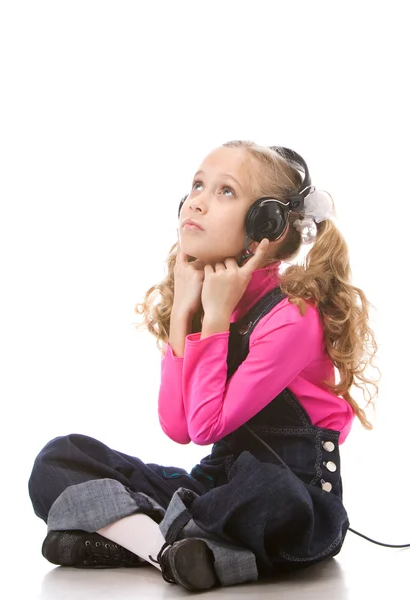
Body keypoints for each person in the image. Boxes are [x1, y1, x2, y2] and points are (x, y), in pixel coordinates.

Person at [28, 142, 379, 592]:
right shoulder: (211, 302)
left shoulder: (294, 316)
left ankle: (136, 535)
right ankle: (175, 550)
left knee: (268, 493)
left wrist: (213, 319)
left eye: (225, 191)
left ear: (265, 226)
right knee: (61, 457)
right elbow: (178, 428)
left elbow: (206, 425)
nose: (196, 200)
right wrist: (183, 313)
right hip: (216, 486)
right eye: (197, 185)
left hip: (293, 493)